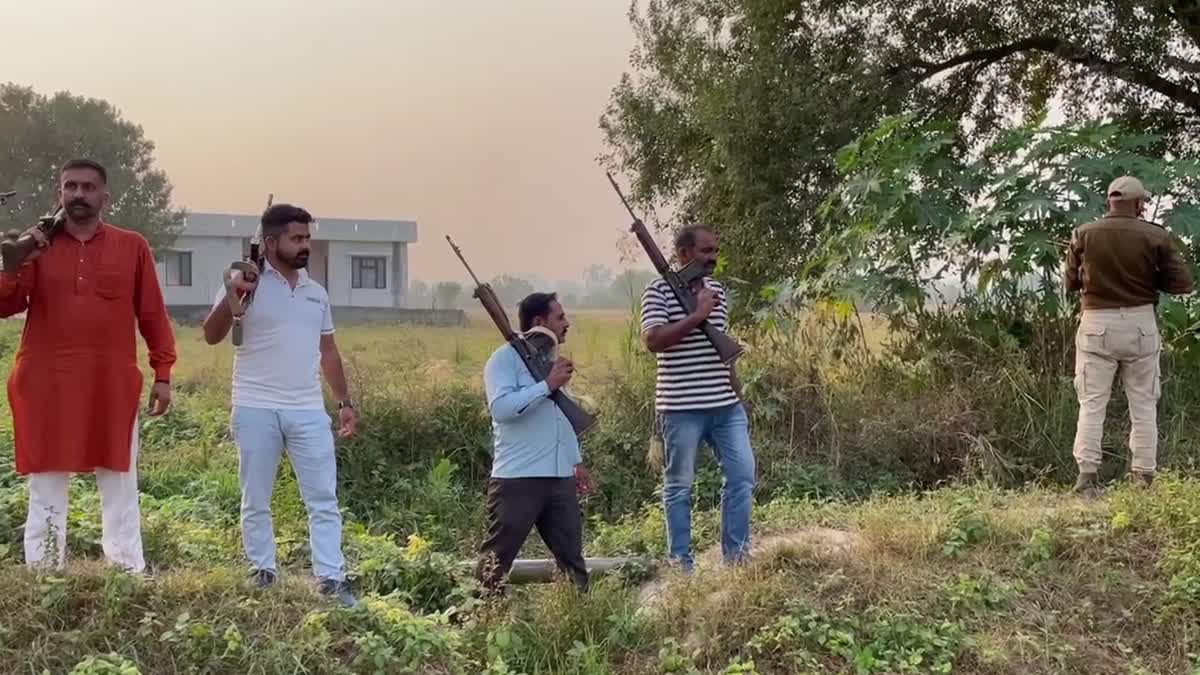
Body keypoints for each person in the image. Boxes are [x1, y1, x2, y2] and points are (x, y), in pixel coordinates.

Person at [0, 158, 176, 573]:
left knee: (119, 480)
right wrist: (13, 263)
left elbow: (152, 314)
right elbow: (5, 305)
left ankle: (127, 571)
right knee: (46, 483)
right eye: (70, 187)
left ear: (105, 197)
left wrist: (163, 373)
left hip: (110, 384)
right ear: (59, 194)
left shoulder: (132, 245)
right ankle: (43, 574)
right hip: (46, 382)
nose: (79, 195)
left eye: (88, 187)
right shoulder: (34, 245)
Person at [201, 203, 359, 606]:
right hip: (255, 404)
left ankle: (331, 577)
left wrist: (343, 402)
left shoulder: (315, 292)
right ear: (270, 242)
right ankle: (262, 570)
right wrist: (236, 292)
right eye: (296, 238)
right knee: (256, 496)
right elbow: (211, 334)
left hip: (307, 408)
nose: (305, 245)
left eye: (307, 237)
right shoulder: (243, 282)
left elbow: (329, 352)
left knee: (323, 498)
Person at [1064, 175, 1195, 496]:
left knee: (1092, 403)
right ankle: (1142, 478)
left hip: (1096, 324)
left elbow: (1070, 284)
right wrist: (1149, 278)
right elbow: (1182, 284)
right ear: (1138, 204)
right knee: (1143, 403)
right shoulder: (1155, 236)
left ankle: (1087, 478)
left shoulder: (1084, 233)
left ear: (1110, 201)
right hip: (1139, 324)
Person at [640, 224, 755, 573]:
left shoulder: (716, 290)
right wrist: (697, 315)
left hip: (725, 406)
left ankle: (735, 559)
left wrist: (737, 394)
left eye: (715, 251)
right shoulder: (658, 291)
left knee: (742, 475)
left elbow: (720, 347)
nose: (714, 259)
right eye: (706, 252)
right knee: (679, 486)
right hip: (680, 409)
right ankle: (681, 565)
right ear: (685, 254)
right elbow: (653, 341)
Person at [475, 292, 594, 594]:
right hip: (518, 478)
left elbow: (560, 416)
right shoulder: (503, 359)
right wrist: (546, 385)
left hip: (559, 477)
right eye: (560, 317)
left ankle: (579, 621)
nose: (566, 323)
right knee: (495, 562)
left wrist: (575, 462)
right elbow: (501, 410)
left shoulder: (550, 362)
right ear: (539, 322)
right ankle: (485, 622)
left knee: (572, 562)